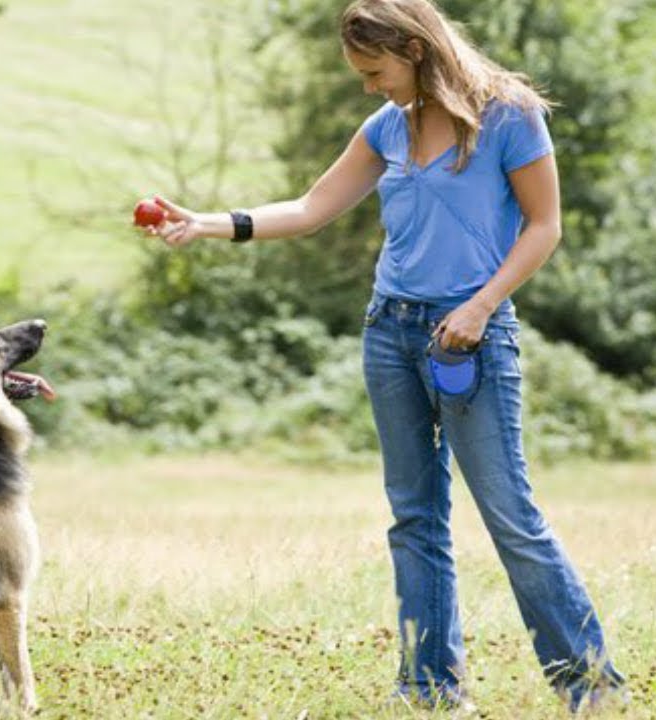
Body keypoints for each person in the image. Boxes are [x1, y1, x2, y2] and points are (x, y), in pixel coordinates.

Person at [140, 0, 626, 712]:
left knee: (509, 514)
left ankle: (589, 686)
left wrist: (481, 305)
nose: (370, 86)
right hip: (390, 333)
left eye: (375, 71)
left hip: (472, 338)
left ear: (414, 49)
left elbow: (544, 226)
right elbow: (310, 209)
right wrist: (206, 224)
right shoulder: (387, 128)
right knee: (414, 516)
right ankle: (429, 688)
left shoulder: (509, 116)